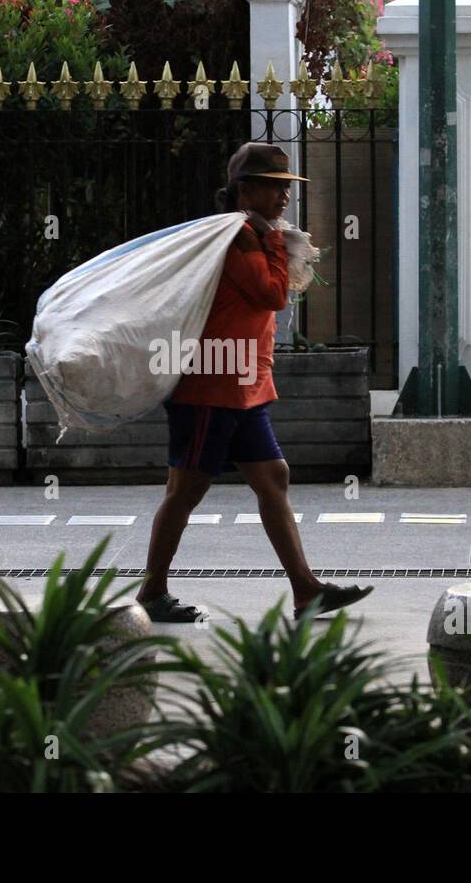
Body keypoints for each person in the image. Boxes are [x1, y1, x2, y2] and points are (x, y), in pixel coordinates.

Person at [136, 142, 374, 623]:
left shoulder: (257, 232)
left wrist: (276, 240)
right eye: (274, 186)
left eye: (287, 187)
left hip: (242, 383)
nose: (285, 196)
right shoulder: (241, 236)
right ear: (246, 189)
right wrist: (276, 245)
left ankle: (306, 591)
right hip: (212, 385)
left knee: (273, 478)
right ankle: (152, 591)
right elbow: (270, 295)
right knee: (185, 490)